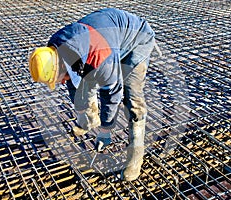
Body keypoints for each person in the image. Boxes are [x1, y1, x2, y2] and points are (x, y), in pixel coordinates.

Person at [29, 8, 155, 181]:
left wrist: (106, 130)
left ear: (62, 66)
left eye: (59, 79)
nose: (62, 83)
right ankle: (90, 120)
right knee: (82, 80)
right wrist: (83, 115)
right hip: (107, 39)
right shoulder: (56, 47)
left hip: (137, 39)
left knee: (132, 97)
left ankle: (135, 159)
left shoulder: (101, 58)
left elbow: (112, 95)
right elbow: (73, 82)